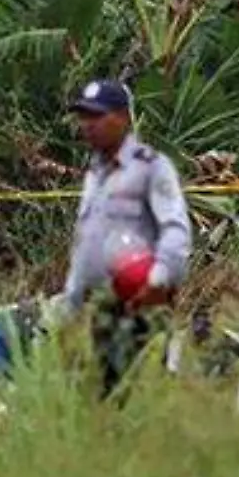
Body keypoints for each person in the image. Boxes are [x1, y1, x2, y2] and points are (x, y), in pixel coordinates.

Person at [63, 78, 193, 395]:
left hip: (138, 308)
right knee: (93, 402)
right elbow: (87, 244)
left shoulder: (152, 168)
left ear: (122, 118)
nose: (87, 125)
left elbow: (176, 230)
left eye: (97, 116)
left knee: (136, 398)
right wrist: (72, 301)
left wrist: (157, 280)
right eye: (84, 117)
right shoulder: (94, 174)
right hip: (98, 310)